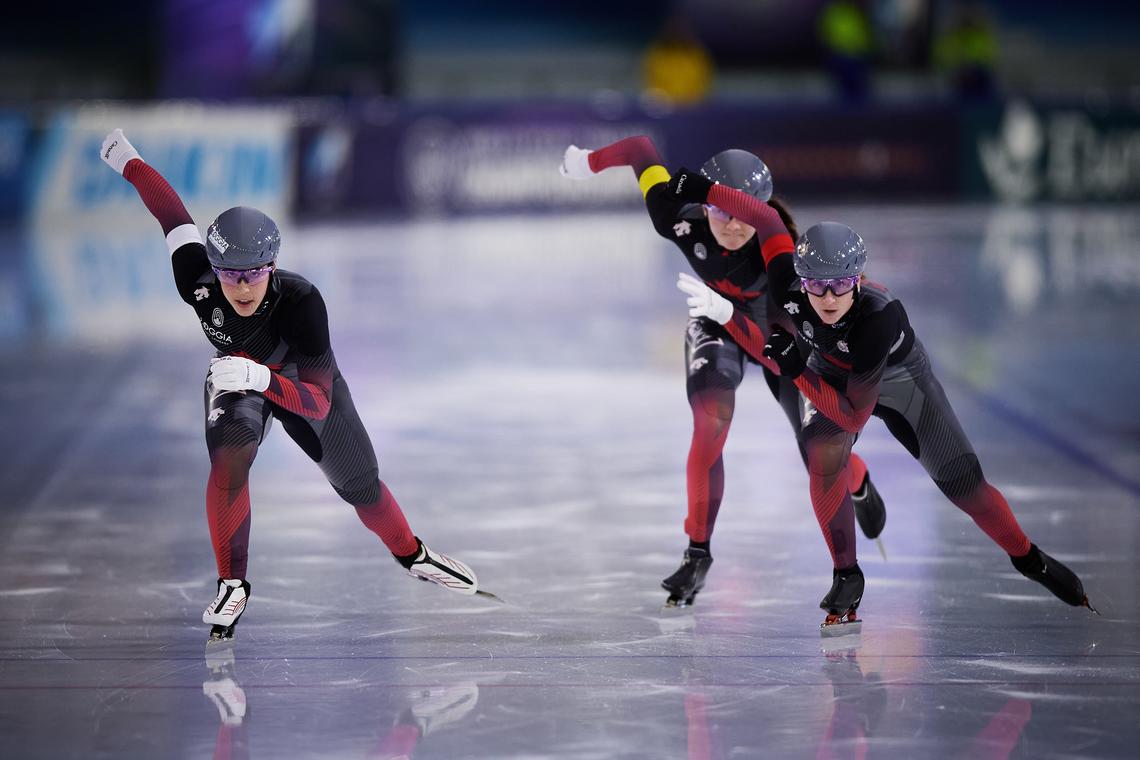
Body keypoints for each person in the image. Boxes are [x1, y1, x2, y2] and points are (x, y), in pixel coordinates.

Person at [660, 164, 1096, 628]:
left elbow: (851, 417)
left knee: (965, 489)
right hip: (831, 372)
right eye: (816, 285)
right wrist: (708, 194)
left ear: (859, 279)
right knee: (822, 456)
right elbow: (767, 220)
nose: (828, 298)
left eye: (842, 284)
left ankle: (1028, 558)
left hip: (899, 380)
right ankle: (847, 575)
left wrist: (796, 371)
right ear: (799, 278)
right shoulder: (789, 289)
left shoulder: (877, 318)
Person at [100, 129, 482, 643]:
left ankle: (411, 553)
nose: (239, 286)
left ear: (272, 267)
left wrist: (262, 376)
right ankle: (232, 583)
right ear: (212, 269)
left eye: (252, 273)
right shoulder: (196, 279)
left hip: (301, 383)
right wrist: (130, 161)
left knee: (362, 487)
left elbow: (320, 402)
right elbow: (172, 215)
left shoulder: (302, 303)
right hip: (239, 378)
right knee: (228, 459)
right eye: (228, 274)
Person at [560, 136, 886, 607]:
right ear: (704, 204)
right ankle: (697, 552)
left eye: (744, 213)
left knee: (816, 446)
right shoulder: (675, 215)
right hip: (718, 321)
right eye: (721, 213)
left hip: (781, 338)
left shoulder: (787, 251)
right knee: (710, 422)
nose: (733, 225)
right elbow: (640, 149)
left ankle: (857, 481)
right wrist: (587, 163)